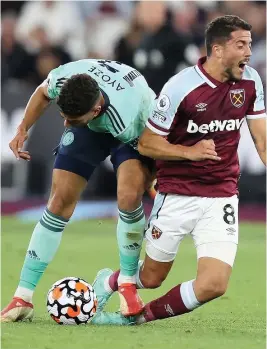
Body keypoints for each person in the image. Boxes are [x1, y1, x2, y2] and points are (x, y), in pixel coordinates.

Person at [1, 59, 216, 322]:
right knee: (58, 201)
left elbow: (149, 146)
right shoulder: (64, 79)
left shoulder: (125, 117)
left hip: (139, 128)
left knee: (128, 195)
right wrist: (23, 127)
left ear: (95, 110)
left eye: (73, 120)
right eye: (63, 117)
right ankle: (22, 297)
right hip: (94, 123)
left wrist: (155, 177)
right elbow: (42, 93)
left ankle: (126, 282)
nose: (66, 124)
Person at [91, 15, 266, 326]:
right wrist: (190, 152)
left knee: (214, 285)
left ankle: (139, 318)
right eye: (241, 45)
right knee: (152, 276)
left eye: (250, 45)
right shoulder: (182, 87)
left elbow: (263, 143)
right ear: (218, 49)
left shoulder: (251, 81)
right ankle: (109, 281)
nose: (248, 52)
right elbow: (146, 143)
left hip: (221, 196)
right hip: (177, 194)